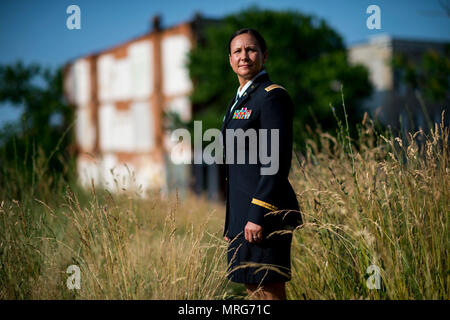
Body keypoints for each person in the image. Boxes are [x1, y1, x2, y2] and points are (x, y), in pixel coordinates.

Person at [221, 28, 302, 300]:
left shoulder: (271, 96)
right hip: (242, 218)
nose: (244, 56)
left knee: (268, 290)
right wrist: (231, 224)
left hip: (263, 215)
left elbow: (275, 161)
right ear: (230, 59)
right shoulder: (239, 100)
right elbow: (237, 170)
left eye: (251, 49)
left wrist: (257, 214)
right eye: (237, 51)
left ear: (264, 56)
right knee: (252, 288)